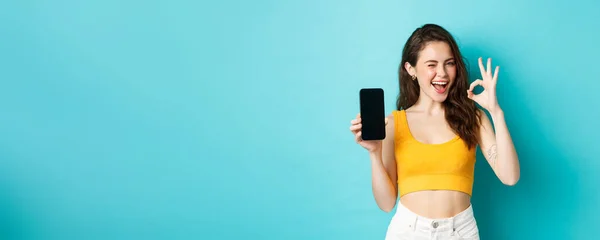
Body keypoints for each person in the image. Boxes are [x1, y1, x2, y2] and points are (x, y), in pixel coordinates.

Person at [349, 24, 520, 240]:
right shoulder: (393, 124)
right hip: (408, 231)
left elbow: (510, 176)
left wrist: (496, 112)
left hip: (461, 232)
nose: (442, 73)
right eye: (432, 64)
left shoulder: (473, 119)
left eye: (449, 64)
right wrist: (374, 153)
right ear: (410, 69)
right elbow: (386, 203)